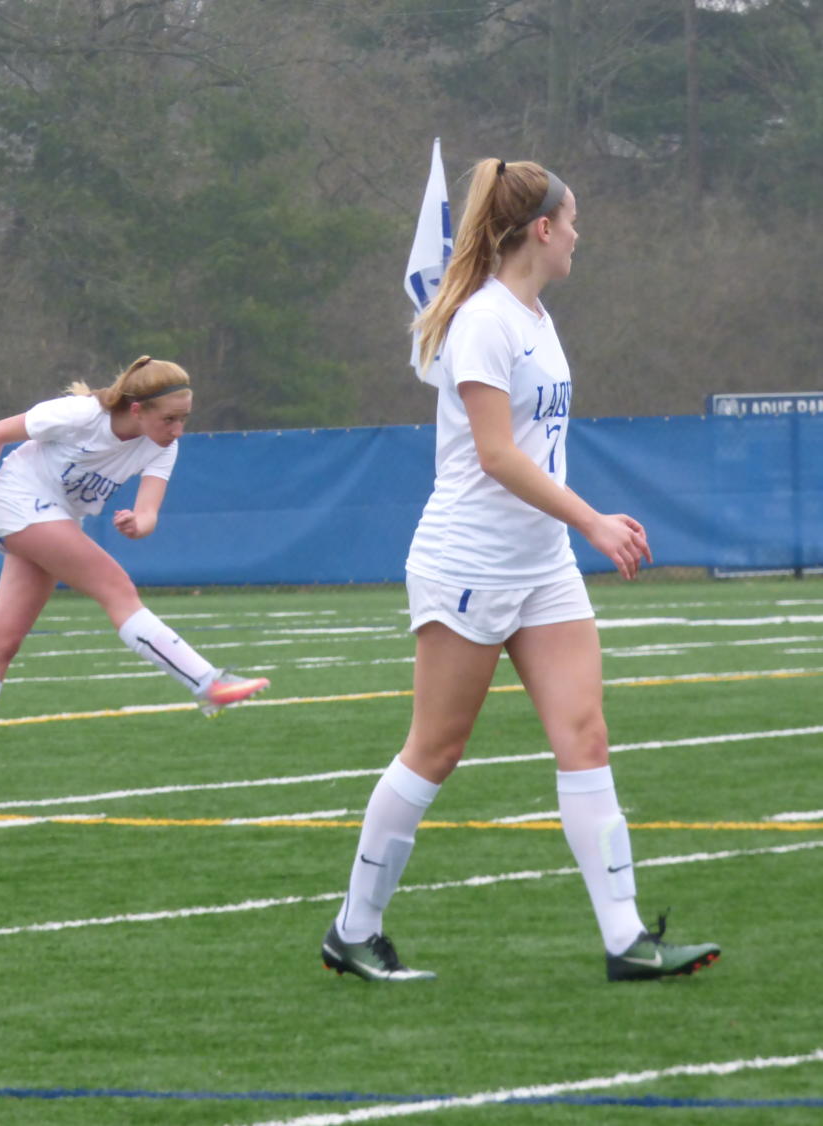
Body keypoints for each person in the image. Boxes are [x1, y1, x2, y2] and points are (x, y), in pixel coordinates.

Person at [320, 159, 720, 984]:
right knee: (435, 749)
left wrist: (572, 533)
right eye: (572, 221)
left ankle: (625, 941)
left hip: (541, 567)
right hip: (466, 562)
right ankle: (352, 931)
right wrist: (592, 521)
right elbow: (497, 456)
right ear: (541, 229)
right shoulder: (483, 321)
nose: (580, 234)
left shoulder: (535, 315)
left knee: (585, 737)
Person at [0, 356, 270, 812]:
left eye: (184, 419)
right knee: (116, 587)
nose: (178, 429)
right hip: (17, 501)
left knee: (2, 644)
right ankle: (206, 682)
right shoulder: (81, 415)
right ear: (137, 408)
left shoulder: (162, 444)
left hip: (58, 516)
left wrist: (137, 524)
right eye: (170, 419)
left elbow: (148, 513)